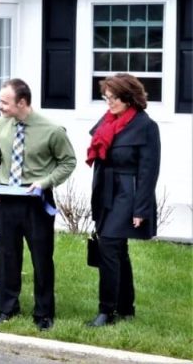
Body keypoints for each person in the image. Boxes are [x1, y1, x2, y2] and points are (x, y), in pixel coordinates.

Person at [0, 78, 76, 331]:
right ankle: (6, 308)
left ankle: (44, 313)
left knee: (41, 258)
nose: (0, 107)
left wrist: (45, 182)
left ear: (22, 102)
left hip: (36, 201)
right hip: (4, 199)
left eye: (4, 102)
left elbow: (68, 162)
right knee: (6, 255)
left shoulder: (53, 130)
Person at [85, 74, 160, 327]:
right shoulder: (109, 120)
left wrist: (141, 209)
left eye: (114, 97)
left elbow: (149, 172)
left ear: (129, 98)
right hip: (106, 191)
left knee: (108, 245)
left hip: (128, 193)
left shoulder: (146, 126)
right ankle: (126, 307)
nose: (110, 102)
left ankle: (106, 311)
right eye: (107, 97)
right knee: (118, 250)